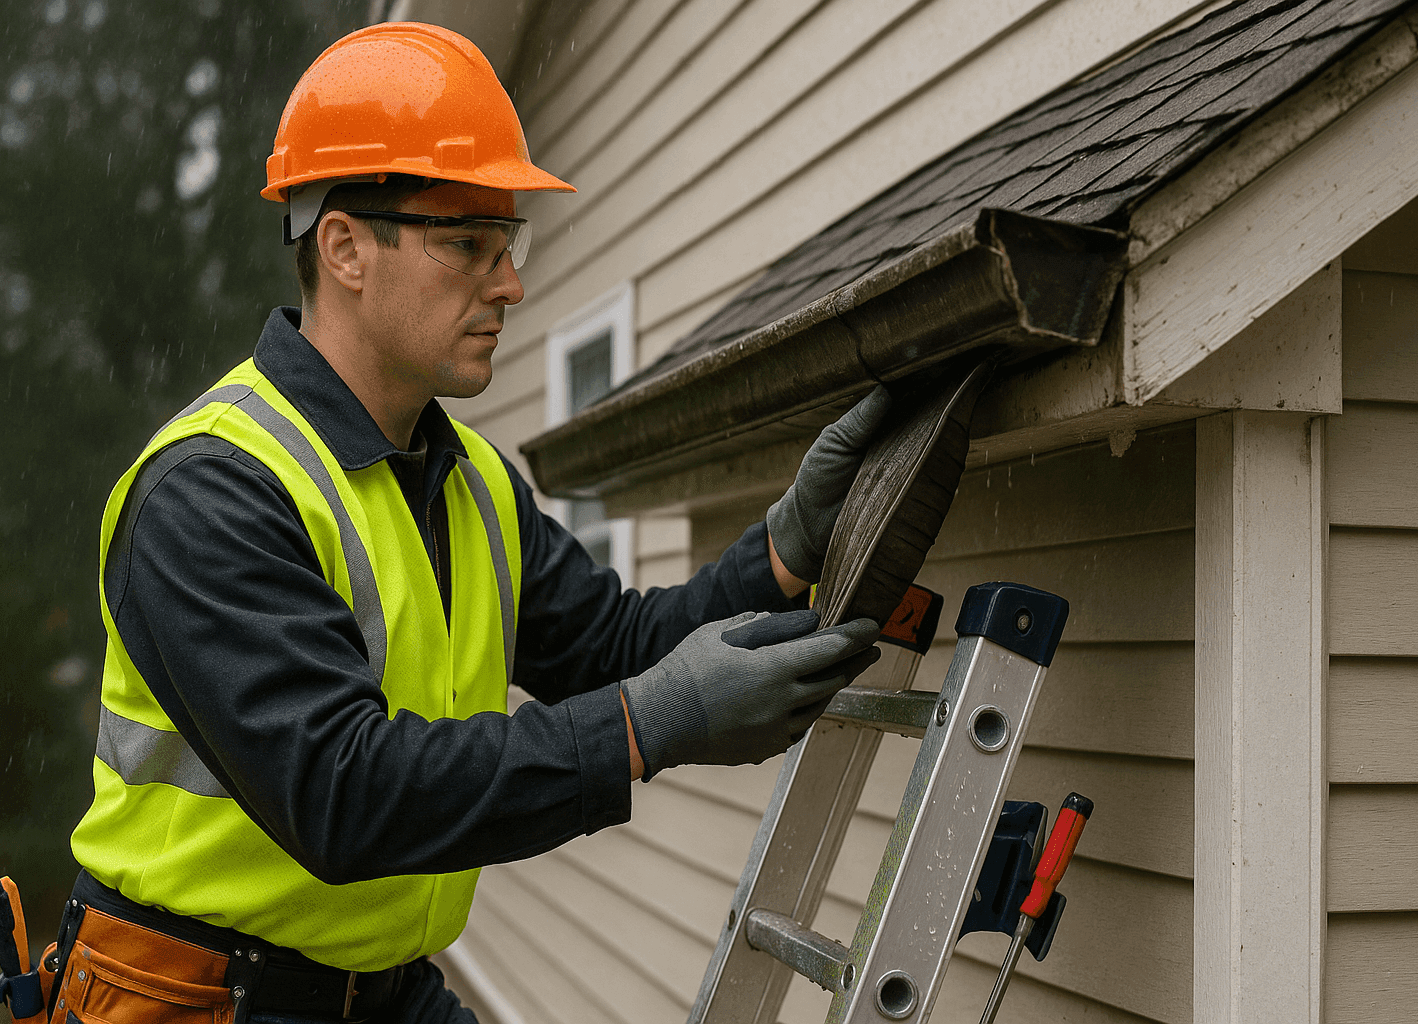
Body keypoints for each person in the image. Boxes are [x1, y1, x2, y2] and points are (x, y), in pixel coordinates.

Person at [47, 21, 890, 1024]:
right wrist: (644, 724)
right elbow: (345, 792)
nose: (512, 284)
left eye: (509, 244)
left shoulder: (472, 482)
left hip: (381, 989)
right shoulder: (211, 489)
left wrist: (788, 545)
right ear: (346, 246)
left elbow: (617, 649)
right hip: (193, 998)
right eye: (466, 244)